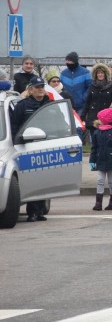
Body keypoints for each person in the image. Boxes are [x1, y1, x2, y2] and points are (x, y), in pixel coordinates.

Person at [10, 77, 51, 221]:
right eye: (37, 87)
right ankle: (32, 212)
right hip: (28, 145)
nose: (40, 89)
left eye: (42, 86)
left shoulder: (50, 104)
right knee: (33, 179)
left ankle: (40, 210)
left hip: (46, 145)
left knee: (45, 179)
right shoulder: (23, 105)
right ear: (31, 89)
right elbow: (14, 126)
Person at [83, 63, 112, 145]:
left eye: (102, 73)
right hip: (94, 117)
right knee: (95, 143)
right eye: (98, 73)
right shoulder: (92, 86)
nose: (100, 75)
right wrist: (83, 115)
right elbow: (87, 102)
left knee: (107, 142)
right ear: (95, 74)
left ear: (105, 74)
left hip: (107, 118)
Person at [60, 51, 91, 119]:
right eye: (67, 61)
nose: (68, 63)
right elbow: (60, 88)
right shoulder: (63, 73)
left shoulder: (86, 72)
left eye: (70, 61)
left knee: (79, 125)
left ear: (75, 61)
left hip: (81, 106)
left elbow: (90, 87)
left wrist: (83, 98)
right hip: (66, 105)